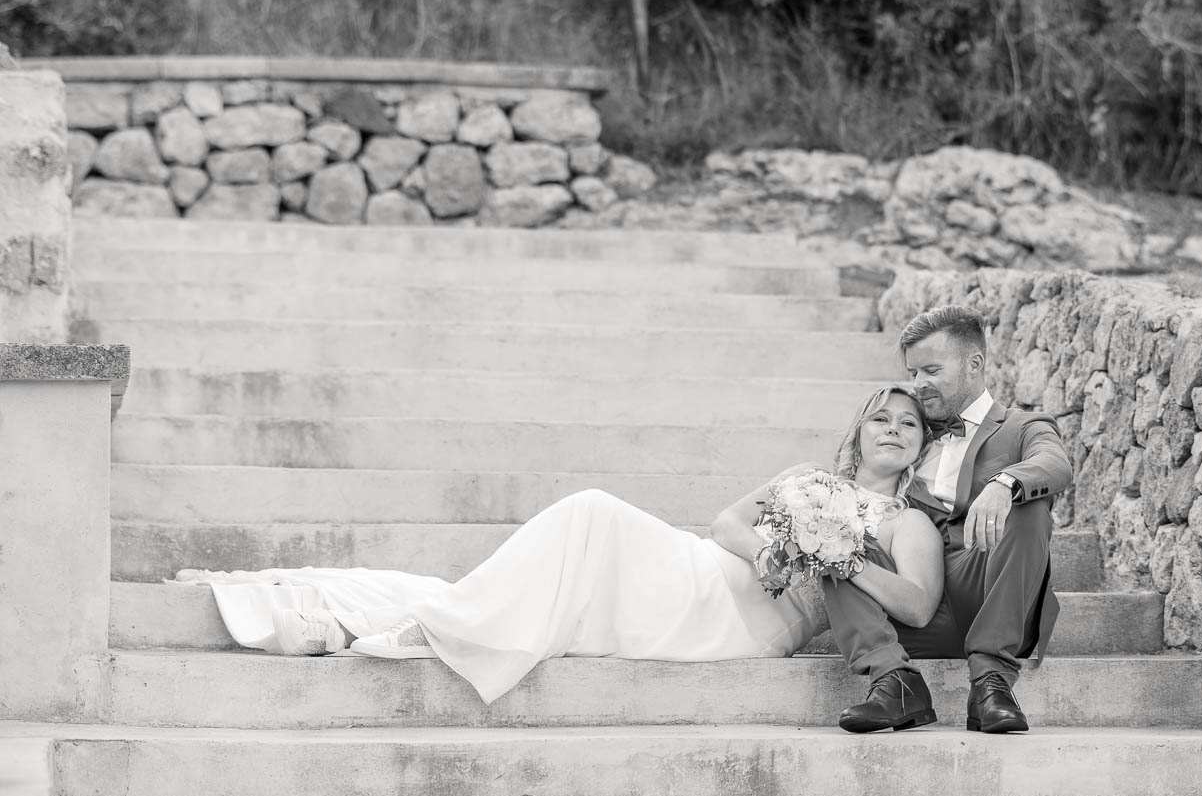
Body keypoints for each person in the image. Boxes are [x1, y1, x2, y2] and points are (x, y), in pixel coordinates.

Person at [175, 385, 943, 705]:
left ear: (918, 449)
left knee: (593, 512)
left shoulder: (909, 524)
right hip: (714, 570)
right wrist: (778, 550)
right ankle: (435, 620)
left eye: (909, 425)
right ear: (860, 431)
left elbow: (917, 602)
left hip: (759, 621)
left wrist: (835, 562)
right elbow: (726, 526)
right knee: (591, 525)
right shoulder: (806, 477)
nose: (893, 430)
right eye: (882, 417)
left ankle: (441, 623)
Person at [823, 305, 1073, 735]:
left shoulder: (1022, 426)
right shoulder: (909, 430)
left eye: (931, 370)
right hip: (915, 603)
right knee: (835, 534)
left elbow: (1054, 464)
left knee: (1030, 508)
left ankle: (992, 681)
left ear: (973, 364)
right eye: (914, 372)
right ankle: (894, 682)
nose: (918, 384)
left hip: (988, 586)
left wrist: (1003, 484)